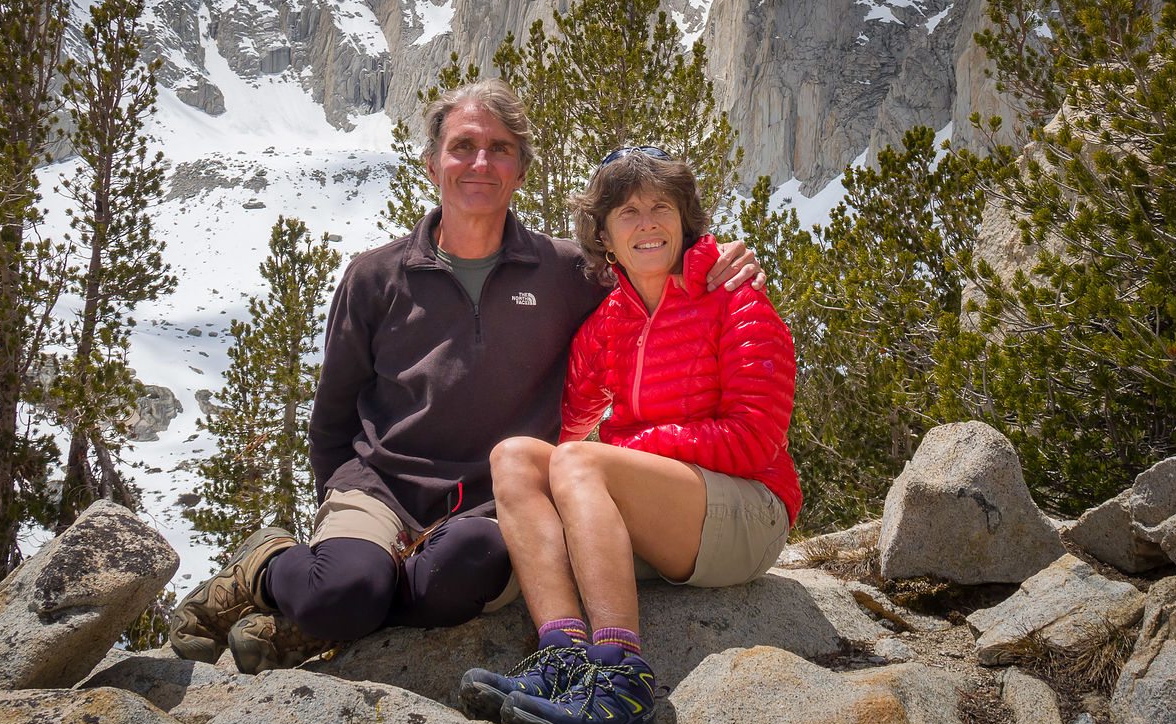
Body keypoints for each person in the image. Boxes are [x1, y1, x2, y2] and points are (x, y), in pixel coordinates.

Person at [170, 82, 764, 673]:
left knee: (464, 573)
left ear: (521, 171)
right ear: (432, 163)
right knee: (344, 588)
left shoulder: (567, 273)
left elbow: (651, 273)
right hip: (379, 490)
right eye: (464, 146)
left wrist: (718, 258)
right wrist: (350, 507)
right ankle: (268, 565)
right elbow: (332, 423)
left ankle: (324, 620)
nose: (481, 162)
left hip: (487, 510)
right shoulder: (375, 277)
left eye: (501, 149)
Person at [456, 146, 800, 724]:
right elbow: (568, 425)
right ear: (604, 235)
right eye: (627, 212)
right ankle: (563, 661)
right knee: (514, 457)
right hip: (668, 515)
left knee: (582, 462)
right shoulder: (608, 322)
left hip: (750, 511)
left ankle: (622, 685)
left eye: (661, 208)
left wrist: (621, 452)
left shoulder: (734, 297)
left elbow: (756, 440)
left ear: (684, 220)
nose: (646, 224)